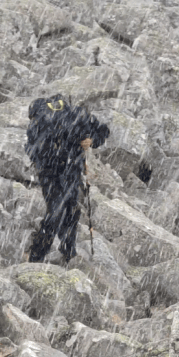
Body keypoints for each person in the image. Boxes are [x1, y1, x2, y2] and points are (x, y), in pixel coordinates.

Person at [25, 94, 110, 263]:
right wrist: (91, 140)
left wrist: (89, 140)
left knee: (59, 210)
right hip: (67, 170)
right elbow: (103, 131)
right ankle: (62, 252)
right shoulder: (77, 115)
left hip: (52, 171)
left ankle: (44, 254)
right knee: (68, 209)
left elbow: (32, 150)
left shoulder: (41, 122)